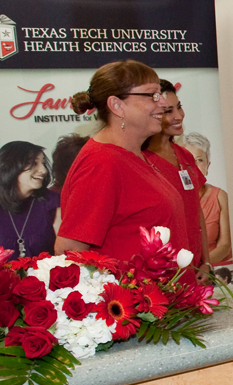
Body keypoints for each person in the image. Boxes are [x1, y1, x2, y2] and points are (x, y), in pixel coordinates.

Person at [55, 60, 192, 263]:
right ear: (117, 106)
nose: (163, 103)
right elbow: (70, 251)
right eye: (152, 95)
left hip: (169, 293)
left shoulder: (133, 154)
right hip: (136, 294)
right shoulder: (102, 163)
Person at [143, 80, 209, 269]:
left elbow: (196, 211)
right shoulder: (142, 160)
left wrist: (206, 262)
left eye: (179, 107)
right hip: (165, 272)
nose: (179, 115)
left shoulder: (185, 155)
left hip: (195, 267)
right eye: (168, 111)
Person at [0, 141, 60, 258]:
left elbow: (64, 255)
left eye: (43, 163)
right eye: (34, 163)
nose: (43, 170)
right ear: (11, 167)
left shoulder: (53, 202)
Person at [181, 132, 233, 276]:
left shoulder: (220, 196)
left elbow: (225, 246)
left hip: (216, 272)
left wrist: (204, 266)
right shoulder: (173, 199)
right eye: (188, 159)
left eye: (199, 160)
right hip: (183, 272)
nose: (194, 165)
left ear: (208, 165)